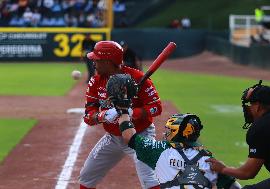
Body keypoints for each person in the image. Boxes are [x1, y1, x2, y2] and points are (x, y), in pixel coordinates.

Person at [105, 74, 242, 189]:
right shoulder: (209, 160)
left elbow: (129, 137)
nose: (166, 134)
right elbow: (235, 187)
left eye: (170, 130)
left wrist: (123, 110)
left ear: (178, 133)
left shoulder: (159, 151)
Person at [79, 41, 162, 189]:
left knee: (149, 179)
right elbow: (88, 116)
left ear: (107, 62)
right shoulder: (95, 81)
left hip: (140, 136)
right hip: (113, 138)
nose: (94, 63)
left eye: (97, 60)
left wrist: (131, 112)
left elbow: (156, 107)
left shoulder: (138, 78)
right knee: (87, 176)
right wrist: (102, 116)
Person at [206, 80, 270, 189]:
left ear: (257, 106)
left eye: (250, 104)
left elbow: (248, 173)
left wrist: (223, 169)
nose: (248, 108)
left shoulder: (261, 126)